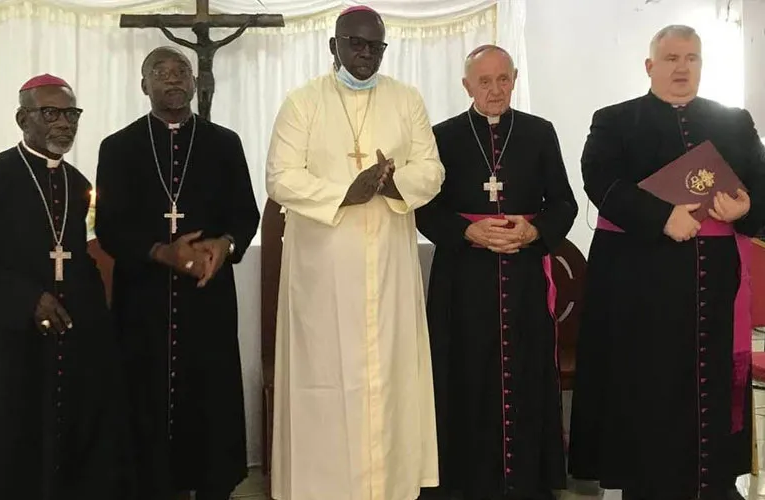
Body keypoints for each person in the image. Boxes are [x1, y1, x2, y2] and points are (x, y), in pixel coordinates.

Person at [568, 25, 765, 500]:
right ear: (649, 66)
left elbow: (760, 184)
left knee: (712, 380)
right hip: (640, 281)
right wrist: (662, 217)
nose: (682, 67)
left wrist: (747, 210)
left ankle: (714, 481)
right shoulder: (615, 120)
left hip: (714, 283)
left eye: (692, 58)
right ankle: (647, 484)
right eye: (671, 57)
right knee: (648, 383)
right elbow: (600, 181)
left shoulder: (735, 120)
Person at [265, 6, 444, 500]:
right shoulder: (302, 102)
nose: (365, 55)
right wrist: (347, 191)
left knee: (389, 377)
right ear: (334, 46)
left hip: (389, 265)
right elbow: (280, 177)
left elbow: (432, 170)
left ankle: (388, 486)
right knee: (324, 377)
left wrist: (391, 187)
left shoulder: (406, 100)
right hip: (323, 269)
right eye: (356, 44)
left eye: (375, 46)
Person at [94, 47, 260, 500]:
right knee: (142, 395)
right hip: (142, 300)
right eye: (160, 72)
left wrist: (222, 246)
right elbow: (108, 226)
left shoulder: (224, 143)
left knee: (209, 397)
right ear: (143, 84)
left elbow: (246, 215)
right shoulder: (118, 147)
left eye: (180, 71)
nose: (172, 79)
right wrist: (160, 252)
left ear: (195, 82)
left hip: (206, 297)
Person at [415, 45, 576, 500]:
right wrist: (470, 234)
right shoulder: (441, 137)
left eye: (502, 79)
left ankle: (528, 481)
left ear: (515, 78)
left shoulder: (539, 133)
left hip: (524, 279)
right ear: (467, 86)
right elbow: (424, 208)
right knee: (464, 375)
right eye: (483, 82)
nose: (494, 89)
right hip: (463, 282)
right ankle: (465, 483)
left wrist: (532, 231)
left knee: (526, 376)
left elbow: (565, 203)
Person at [0, 74, 127, 500]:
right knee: (10, 442)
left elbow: (73, 254)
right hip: (7, 341)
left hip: (66, 335)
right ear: (23, 118)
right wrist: (26, 299)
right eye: (50, 113)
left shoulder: (76, 183)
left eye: (71, 114)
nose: (64, 124)